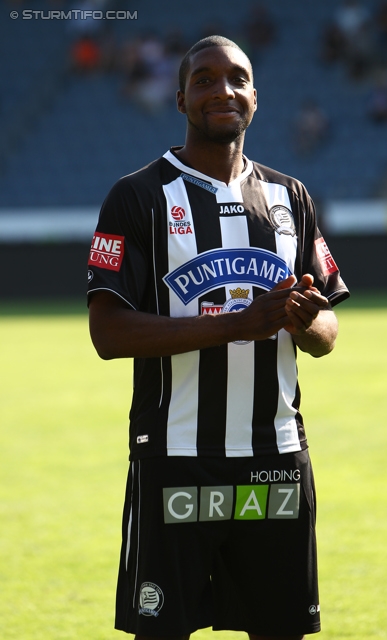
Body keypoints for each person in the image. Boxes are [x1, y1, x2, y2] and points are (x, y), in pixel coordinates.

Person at [87, 35, 350, 640]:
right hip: (177, 458)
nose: (222, 90)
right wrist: (239, 324)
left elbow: (329, 330)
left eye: (237, 78)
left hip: (276, 458)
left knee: (281, 627)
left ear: (255, 97)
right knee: (162, 629)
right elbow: (107, 332)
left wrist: (308, 318)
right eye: (204, 80)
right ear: (180, 98)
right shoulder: (137, 197)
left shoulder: (291, 198)